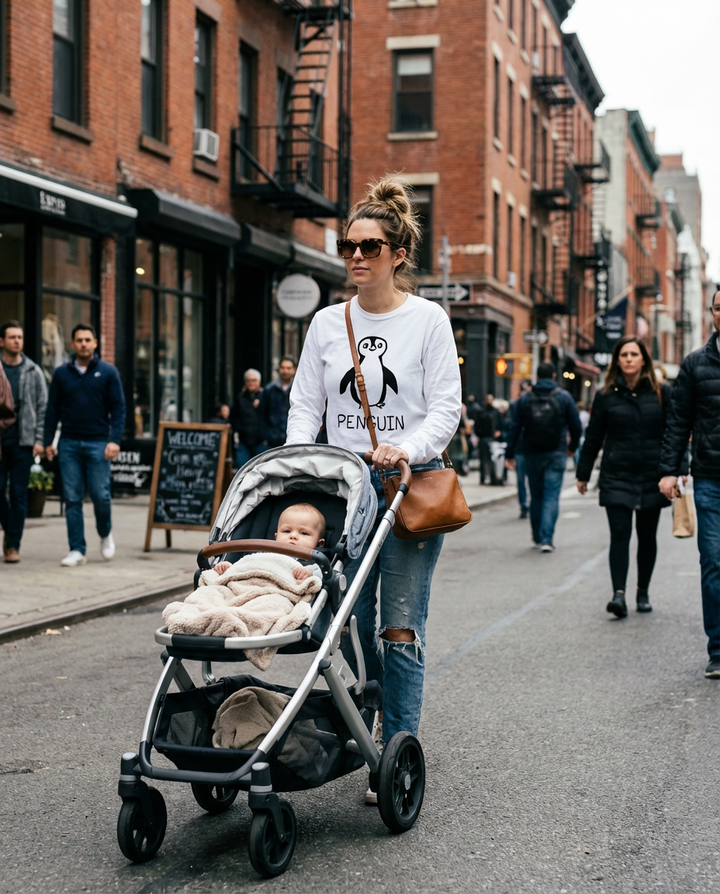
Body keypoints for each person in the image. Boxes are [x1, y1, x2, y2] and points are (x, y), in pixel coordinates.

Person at [285, 176, 461, 800]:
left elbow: (446, 408)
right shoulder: (329, 325)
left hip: (408, 487)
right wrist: (300, 461)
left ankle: (397, 748)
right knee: (351, 619)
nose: (357, 257)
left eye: (370, 247)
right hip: (347, 490)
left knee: (399, 626)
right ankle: (372, 720)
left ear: (397, 255)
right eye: (348, 246)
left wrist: (406, 447)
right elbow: (306, 403)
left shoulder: (428, 320)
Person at [576, 336, 673, 618]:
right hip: (616, 474)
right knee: (619, 534)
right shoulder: (606, 395)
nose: (629, 359)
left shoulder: (661, 393)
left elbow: (674, 433)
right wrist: (583, 473)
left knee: (647, 536)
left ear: (644, 359)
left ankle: (642, 590)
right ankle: (618, 594)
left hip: (651, 474)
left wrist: (674, 470)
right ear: (617, 360)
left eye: (634, 354)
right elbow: (593, 437)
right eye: (624, 354)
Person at [659, 289, 720, 679]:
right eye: (719, 307)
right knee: (713, 561)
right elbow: (678, 420)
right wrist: (670, 468)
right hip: (711, 478)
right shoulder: (696, 364)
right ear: (712, 314)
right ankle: (719, 649)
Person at [44, 324, 126, 567]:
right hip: (68, 442)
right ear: (73, 343)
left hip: (98, 442)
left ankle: (105, 532)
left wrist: (114, 440)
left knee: (101, 495)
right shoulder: (61, 374)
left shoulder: (108, 372)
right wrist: (48, 441)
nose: (83, 344)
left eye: (87, 340)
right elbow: (52, 410)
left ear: (95, 343)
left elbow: (119, 409)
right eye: (79, 340)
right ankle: (77, 549)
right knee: (72, 497)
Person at [505, 361, 582, 552]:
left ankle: (537, 536)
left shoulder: (524, 399)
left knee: (536, 495)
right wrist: (571, 448)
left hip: (532, 453)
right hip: (556, 453)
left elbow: (514, 428)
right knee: (551, 496)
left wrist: (510, 453)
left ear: (537, 377)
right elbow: (576, 426)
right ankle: (547, 539)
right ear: (554, 377)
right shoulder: (564, 397)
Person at [0, 321, 48, 563]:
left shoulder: (33, 371)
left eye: (19, 337)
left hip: (23, 442)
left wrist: (40, 440)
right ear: (2, 341)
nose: (17, 341)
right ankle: (10, 533)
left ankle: (13, 545)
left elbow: (42, 408)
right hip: (0, 440)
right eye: (12, 337)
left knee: (19, 494)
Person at [212, 503, 325, 581]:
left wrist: (308, 573)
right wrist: (230, 568)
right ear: (276, 537)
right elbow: (246, 566)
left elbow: (323, 575)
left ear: (320, 543)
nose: (293, 536)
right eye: (286, 531)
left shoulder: (314, 563)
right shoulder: (264, 554)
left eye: (304, 533)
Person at [231, 368, 266, 467]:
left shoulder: (265, 397)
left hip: (261, 442)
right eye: (248, 380)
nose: (251, 383)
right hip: (244, 441)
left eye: (254, 380)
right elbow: (234, 418)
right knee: (242, 468)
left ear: (259, 381)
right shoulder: (239, 398)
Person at [261, 357, 296, 448]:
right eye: (283, 368)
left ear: (294, 370)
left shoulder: (299, 390)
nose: (285, 371)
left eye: (288, 368)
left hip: (293, 437)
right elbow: (262, 414)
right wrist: (267, 435)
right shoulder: (269, 390)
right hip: (272, 441)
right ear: (279, 369)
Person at [509, 380, 532, 518]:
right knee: (524, 480)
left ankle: (526, 505)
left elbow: (513, 428)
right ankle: (525, 505)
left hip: (524, 449)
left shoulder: (517, 405)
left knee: (523, 480)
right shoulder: (517, 405)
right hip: (525, 449)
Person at [469, 394, 501, 484]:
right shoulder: (481, 412)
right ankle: (483, 478)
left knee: (492, 460)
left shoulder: (495, 412)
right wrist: (480, 434)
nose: (489, 401)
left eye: (490, 399)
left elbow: (499, 423)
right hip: (483, 438)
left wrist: (497, 432)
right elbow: (477, 425)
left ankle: (493, 478)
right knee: (483, 459)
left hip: (493, 439)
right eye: (487, 399)